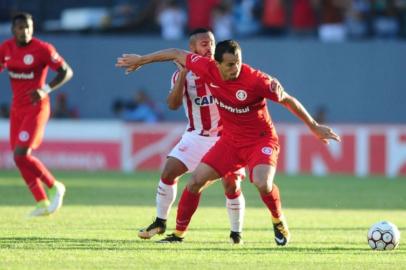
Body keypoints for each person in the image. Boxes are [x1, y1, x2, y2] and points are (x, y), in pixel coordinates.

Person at [116, 40, 340, 245]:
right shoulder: (206, 68)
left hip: (260, 140)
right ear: (217, 64)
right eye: (230, 64)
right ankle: (178, 235)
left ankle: (278, 219)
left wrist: (313, 126)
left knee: (262, 183)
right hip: (230, 142)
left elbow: (288, 100)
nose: (236, 68)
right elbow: (175, 52)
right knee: (195, 182)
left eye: (238, 63)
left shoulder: (257, 80)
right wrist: (142, 60)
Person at [137, 29, 248, 244]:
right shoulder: (182, 75)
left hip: (226, 137)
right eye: (204, 44)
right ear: (193, 49)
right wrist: (183, 76)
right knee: (169, 172)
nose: (210, 48)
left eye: (212, 43)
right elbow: (172, 105)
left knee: (231, 185)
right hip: (197, 134)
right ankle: (160, 221)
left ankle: (236, 235)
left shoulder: (226, 68)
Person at [0, 12, 73, 217]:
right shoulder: (6, 48)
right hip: (17, 109)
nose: (25, 31)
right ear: (13, 30)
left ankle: (54, 185)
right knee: (19, 158)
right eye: (21, 27)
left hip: (37, 107)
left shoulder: (42, 49)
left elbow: (66, 71)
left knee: (21, 154)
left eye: (28, 27)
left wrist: (45, 89)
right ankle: (41, 202)